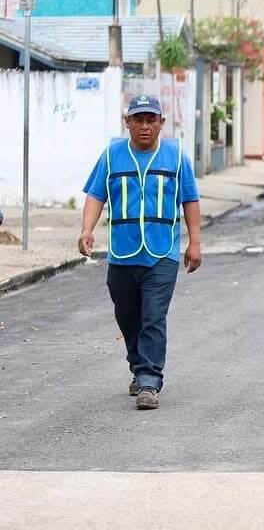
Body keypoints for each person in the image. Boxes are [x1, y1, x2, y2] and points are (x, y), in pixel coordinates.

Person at [77, 94, 202, 410]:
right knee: (127, 315)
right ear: (127, 123)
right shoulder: (112, 155)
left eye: (151, 120)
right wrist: (87, 230)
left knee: (153, 316)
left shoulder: (175, 157)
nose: (145, 126)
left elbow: (190, 200)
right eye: (138, 120)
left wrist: (195, 243)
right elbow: (95, 195)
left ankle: (149, 380)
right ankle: (138, 363)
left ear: (161, 123)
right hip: (122, 253)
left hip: (162, 254)